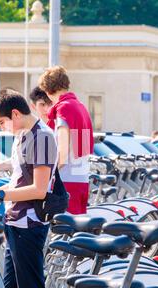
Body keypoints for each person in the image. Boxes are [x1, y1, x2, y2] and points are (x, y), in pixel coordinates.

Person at [0, 89, 58, 288]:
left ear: (15, 114)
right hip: (15, 222)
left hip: (29, 225)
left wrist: (0, 194)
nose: (2, 128)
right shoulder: (24, 134)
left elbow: (39, 189)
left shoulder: (42, 137)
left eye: (1, 123)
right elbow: (15, 164)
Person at [38, 66, 94, 215]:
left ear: (48, 91)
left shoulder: (63, 109)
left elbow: (62, 152)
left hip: (66, 180)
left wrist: (46, 174)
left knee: (63, 232)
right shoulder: (80, 107)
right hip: (81, 177)